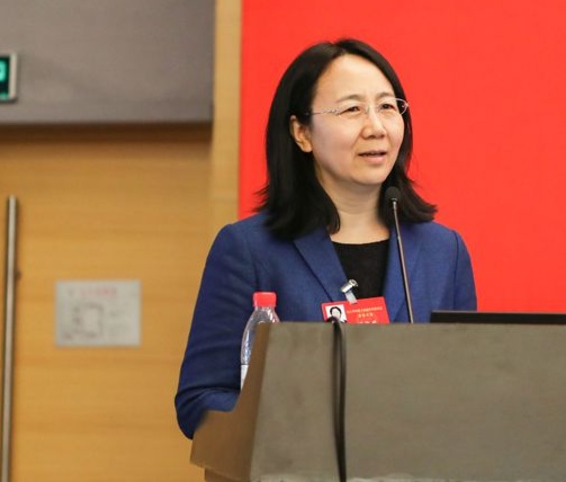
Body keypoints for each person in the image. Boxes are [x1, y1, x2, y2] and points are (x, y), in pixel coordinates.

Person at [174, 38, 477, 439]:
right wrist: (307, 419)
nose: (376, 127)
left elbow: (467, 389)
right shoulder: (249, 250)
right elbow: (199, 401)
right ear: (301, 132)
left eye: (388, 107)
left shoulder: (443, 252)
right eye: (352, 109)